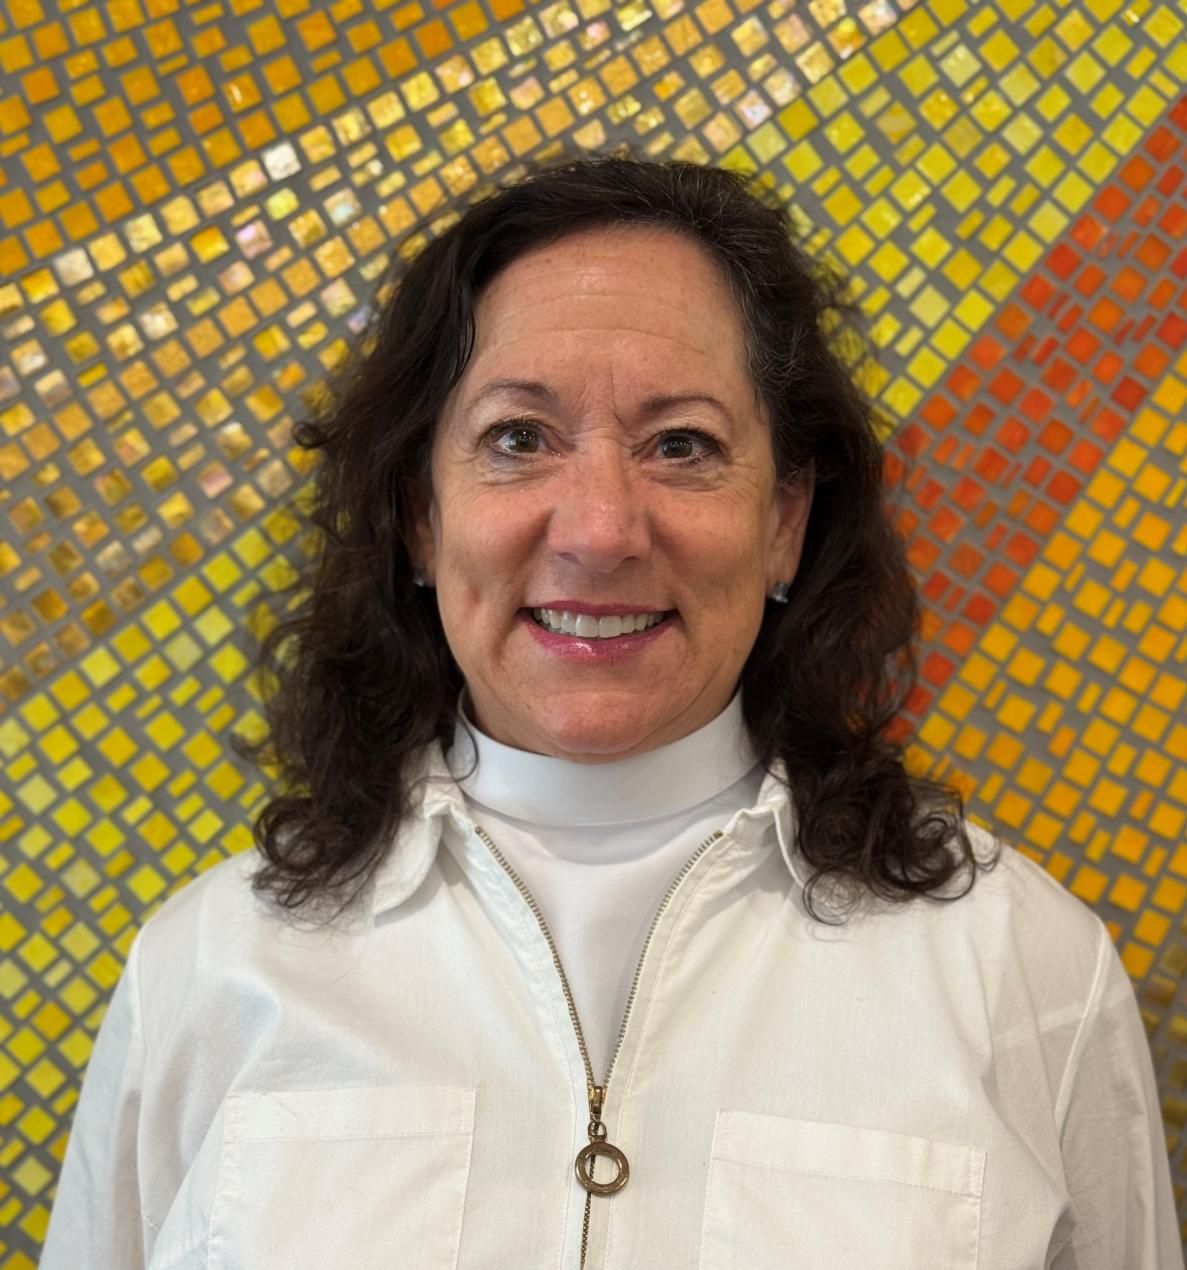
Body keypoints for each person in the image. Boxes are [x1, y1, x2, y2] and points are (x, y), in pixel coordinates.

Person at [40, 147, 1180, 1270]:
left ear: (784, 521)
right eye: (516, 439)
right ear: (420, 517)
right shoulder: (208, 971)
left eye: (681, 445)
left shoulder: (1026, 973)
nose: (598, 530)